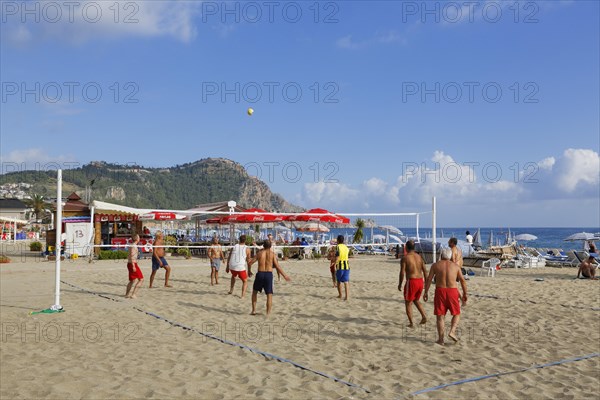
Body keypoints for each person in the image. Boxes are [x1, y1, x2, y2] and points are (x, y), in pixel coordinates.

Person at [424, 248, 468, 345]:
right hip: (452, 291)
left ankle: (441, 340)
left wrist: (426, 292)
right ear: (450, 256)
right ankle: (452, 331)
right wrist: (465, 294)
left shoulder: (435, 265)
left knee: (440, 317)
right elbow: (462, 281)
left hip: (440, 291)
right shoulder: (455, 266)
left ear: (441, 255)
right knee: (456, 313)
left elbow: (429, 279)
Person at [248, 241, 291, 315]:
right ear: (270, 246)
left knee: (255, 292)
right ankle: (268, 313)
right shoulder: (272, 254)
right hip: (268, 274)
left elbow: (250, 263)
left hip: (260, 273)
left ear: (263, 246)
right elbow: (277, 266)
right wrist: (284, 275)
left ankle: (254, 310)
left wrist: (249, 271)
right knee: (269, 294)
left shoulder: (259, 253)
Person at [398, 240, 427, 327]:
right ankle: (424, 316)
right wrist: (426, 283)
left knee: (408, 302)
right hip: (420, 281)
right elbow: (425, 271)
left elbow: (402, 272)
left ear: (406, 247)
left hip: (412, 281)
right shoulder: (419, 257)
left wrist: (400, 284)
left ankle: (411, 323)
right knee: (416, 300)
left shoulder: (405, 258)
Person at [125, 234, 144, 298]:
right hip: (133, 263)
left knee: (132, 280)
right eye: (139, 237)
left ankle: (127, 294)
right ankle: (133, 294)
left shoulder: (132, 245)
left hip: (130, 263)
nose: (139, 238)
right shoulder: (133, 246)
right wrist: (133, 265)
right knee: (141, 279)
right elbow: (132, 255)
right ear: (137, 239)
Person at [334, 235, 350, 300]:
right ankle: (347, 297)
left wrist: (335, 264)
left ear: (338, 240)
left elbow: (337, 257)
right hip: (347, 265)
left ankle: (340, 295)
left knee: (339, 281)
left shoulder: (337, 247)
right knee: (346, 282)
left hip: (340, 266)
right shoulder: (346, 247)